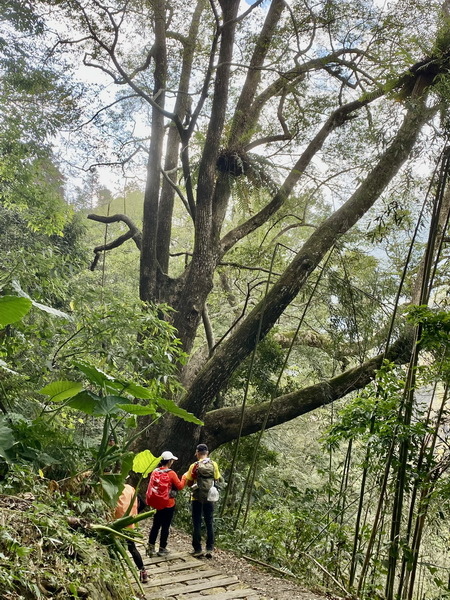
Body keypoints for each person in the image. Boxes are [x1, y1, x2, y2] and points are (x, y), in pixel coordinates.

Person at [146, 450, 186, 557]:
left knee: (155, 525)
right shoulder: (171, 473)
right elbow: (180, 486)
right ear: (169, 462)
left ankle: (150, 548)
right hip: (168, 504)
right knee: (165, 526)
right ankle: (162, 548)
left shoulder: (155, 471)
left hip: (157, 503)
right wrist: (184, 478)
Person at [185, 443, 221, 558]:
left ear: (197, 453)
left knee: (197, 523)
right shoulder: (213, 464)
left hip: (196, 497)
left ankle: (198, 549)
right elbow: (216, 479)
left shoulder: (194, 466)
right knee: (209, 522)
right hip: (210, 498)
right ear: (207, 453)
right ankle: (209, 548)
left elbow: (189, 482)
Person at [114, 482, 148, 583]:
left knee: (113, 548)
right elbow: (143, 503)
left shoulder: (111, 489)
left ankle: (117, 576)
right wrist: (135, 513)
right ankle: (143, 572)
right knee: (132, 548)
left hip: (115, 524)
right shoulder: (129, 488)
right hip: (129, 523)